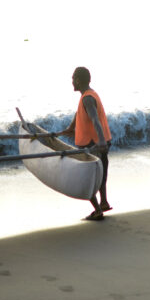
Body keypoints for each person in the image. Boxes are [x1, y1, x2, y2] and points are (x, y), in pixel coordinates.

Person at [58, 67, 112, 221]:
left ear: (78, 80)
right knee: (101, 174)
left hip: (93, 144)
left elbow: (95, 119)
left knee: (88, 178)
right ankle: (104, 202)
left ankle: (97, 210)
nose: (72, 81)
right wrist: (71, 127)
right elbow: (79, 113)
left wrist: (100, 142)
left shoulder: (87, 98)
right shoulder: (89, 94)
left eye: (73, 78)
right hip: (101, 142)